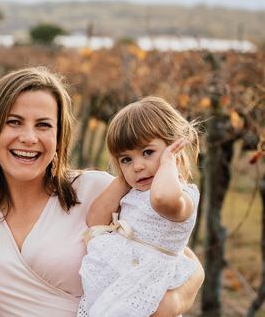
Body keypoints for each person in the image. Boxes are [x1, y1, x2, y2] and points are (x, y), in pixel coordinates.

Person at [0, 68, 204, 317]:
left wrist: (172, 304)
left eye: (43, 125)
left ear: (59, 139)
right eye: (14, 122)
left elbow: (181, 259)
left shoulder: (97, 190)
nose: (29, 137)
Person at [78, 97, 200, 316]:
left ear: (174, 148)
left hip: (148, 281)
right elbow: (95, 220)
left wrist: (168, 163)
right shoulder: (134, 191)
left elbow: (161, 200)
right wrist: (122, 180)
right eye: (126, 159)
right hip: (122, 281)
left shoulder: (182, 195)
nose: (138, 166)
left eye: (147, 153)